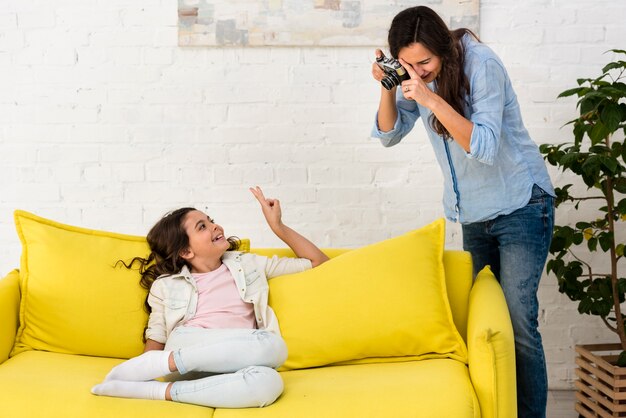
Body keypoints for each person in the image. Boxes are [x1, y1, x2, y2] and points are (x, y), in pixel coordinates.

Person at [370, 6, 555, 418]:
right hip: (473, 212)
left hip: (522, 204)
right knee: (483, 321)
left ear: (443, 51)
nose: (417, 71)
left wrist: (429, 96)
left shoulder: (481, 63)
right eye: (407, 64)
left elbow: (485, 147)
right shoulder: (413, 75)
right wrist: (389, 84)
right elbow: (389, 134)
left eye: (425, 63)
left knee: (518, 324)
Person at [91, 186, 329, 408]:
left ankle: (159, 392)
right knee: (272, 344)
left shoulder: (249, 264)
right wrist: (146, 365)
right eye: (202, 227)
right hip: (186, 347)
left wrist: (278, 227)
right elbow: (157, 335)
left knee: (269, 382)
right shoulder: (166, 285)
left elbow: (318, 263)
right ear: (186, 251)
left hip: (236, 361)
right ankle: (166, 364)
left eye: (211, 221)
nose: (215, 226)